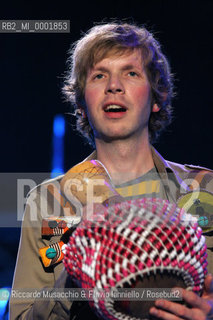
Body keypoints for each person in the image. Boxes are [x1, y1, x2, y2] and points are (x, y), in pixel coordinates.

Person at [10, 22, 213, 320]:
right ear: (81, 103)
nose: (113, 86)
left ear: (156, 98)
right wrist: (77, 267)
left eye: (131, 73)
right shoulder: (48, 201)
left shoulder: (204, 188)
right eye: (99, 75)